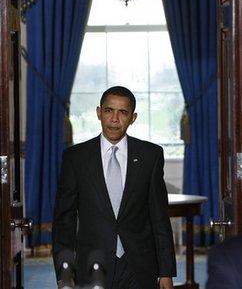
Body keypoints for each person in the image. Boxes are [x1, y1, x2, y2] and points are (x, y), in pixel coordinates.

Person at [52, 86, 177, 289]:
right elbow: (64, 223)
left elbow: (159, 219)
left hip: (139, 265)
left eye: (123, 112)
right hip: (91, 265)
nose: (114, 119)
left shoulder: (150, 156)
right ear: (99, 112)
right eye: (109, 110)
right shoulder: (76, 158)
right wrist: (64, 274)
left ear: (133, 118)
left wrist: (166, 272)